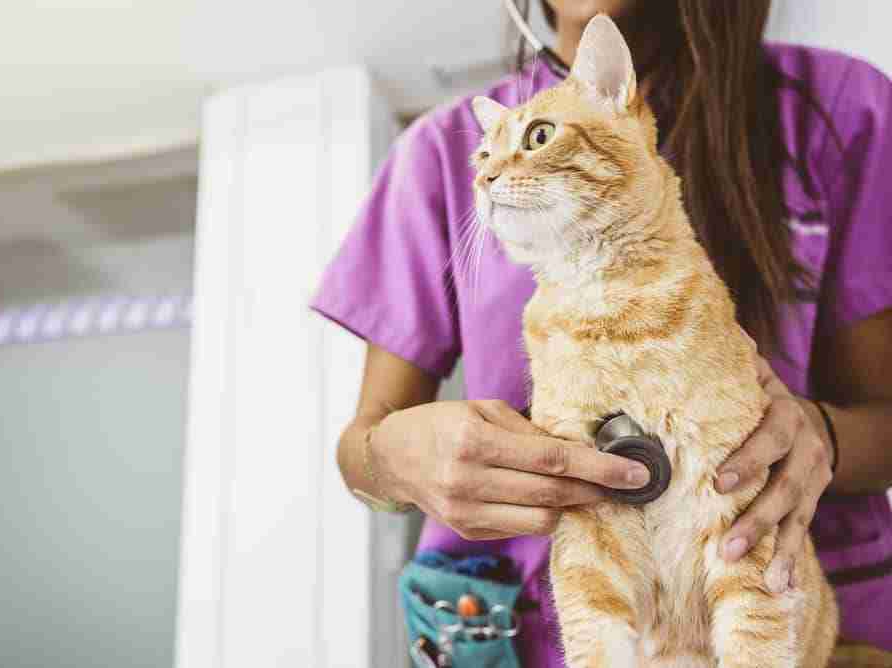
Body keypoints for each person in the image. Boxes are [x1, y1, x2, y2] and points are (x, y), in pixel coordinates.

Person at [311, 1, 892, 663]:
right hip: (533, 629)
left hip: (775, 613)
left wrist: (822, 436)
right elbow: (361, 447)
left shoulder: (838, 109)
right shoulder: (445, 155)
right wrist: (393, 462)